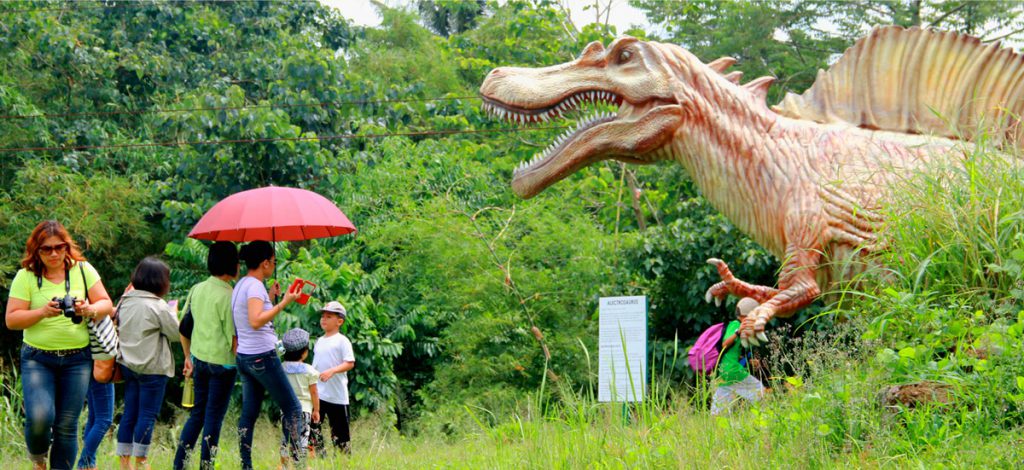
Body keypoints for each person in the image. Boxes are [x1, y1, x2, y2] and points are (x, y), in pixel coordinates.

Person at [5, 220, 113, 470]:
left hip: (78, 359)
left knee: (67, 425)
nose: (54, 253)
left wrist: (88, 308)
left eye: (59, 247)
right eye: (46, 249)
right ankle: (38, 458)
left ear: (67, 246)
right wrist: (42, 312)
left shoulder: (83, 269)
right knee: (40, 417)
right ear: (36, 251)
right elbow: (12, 319)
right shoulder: (26, 276)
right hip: (37, 359)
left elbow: (106, 303)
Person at [232, 240, 304, 470]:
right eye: (274, 261)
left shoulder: (242, 284)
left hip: (245, 356)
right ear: (264, 263)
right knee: (293, 408)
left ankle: (246, 465)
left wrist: (270, 299)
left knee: (249, 414)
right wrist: (283, 302)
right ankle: (295, 463)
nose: (274, 265)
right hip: (262, 356)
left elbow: (253, 318)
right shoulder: (254, 287)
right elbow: (255, 321)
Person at [173, 242, 240, 470]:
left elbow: (184, 327)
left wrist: (188, 358)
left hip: (199, 362)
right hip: (223, 366)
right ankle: (206, 466)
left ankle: (179, 465)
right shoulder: (230, 296)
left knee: (197, 415)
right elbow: (233, 340)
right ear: (233, 264)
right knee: (213, 419)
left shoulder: (197, 289)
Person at [115, 257, 180, 469]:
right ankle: (141, 462)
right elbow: (176, 334)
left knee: (130, 414)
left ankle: (124, 463)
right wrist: (174, 314)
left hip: (128, 366)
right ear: (160, 282)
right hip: (152, 368)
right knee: (147, 415)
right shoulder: (158, 306)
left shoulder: (125, 301)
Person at [311, 301, 356, 455]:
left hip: (337, 396)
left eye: (329, 316)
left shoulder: (342, 341)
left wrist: (332, 371)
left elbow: (349, 363)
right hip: (319, 393)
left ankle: (343, 462)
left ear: (339, 321)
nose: (323, 319)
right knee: (313, 428)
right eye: (322, 316)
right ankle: (320, 458)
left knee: (340, 435)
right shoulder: (319, 341)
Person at [711, 297, 766, 415]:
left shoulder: (740, 327)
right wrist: (738, 332)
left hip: (724, 371)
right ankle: (760, 419)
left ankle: (714, 426)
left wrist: (748, 360)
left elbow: (732, 353)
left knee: (719, 410)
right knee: (759, 391)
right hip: (733, 370)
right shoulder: (736, 325)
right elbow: (725, 344)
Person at [279, 328, 320, 467]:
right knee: (302, 439)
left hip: (286, 411)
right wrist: (316, 411)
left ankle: (284, 466)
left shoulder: (281, 368)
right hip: (305, 411)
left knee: (286, 439)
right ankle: (299, 465)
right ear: (304, 353)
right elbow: (314, 392)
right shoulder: (310, 371)